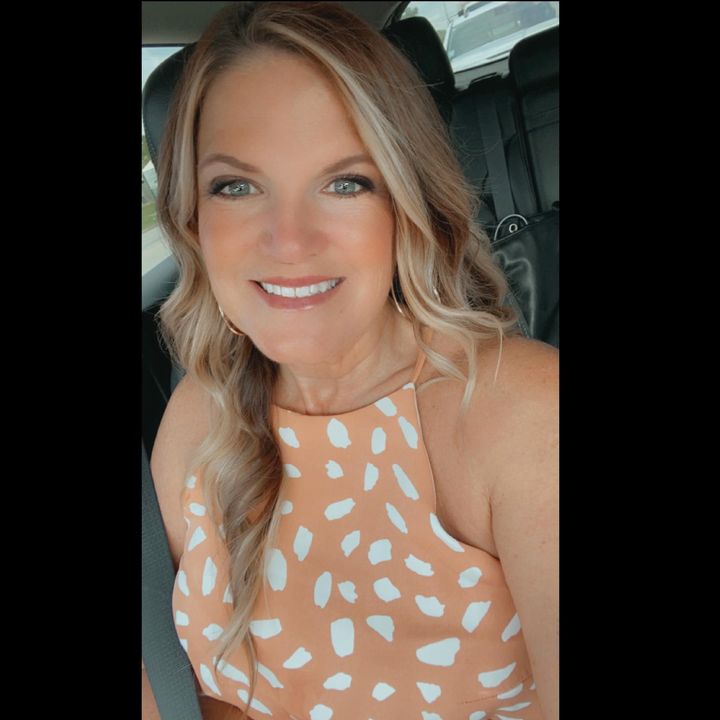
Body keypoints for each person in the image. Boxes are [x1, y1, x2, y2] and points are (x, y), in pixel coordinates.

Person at [145, 2, 558, 719]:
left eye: (346, 183)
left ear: (407, 202)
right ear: (193, 217)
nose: (289, 241)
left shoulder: (520, 415)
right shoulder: (198, 413)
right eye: (236, 186)